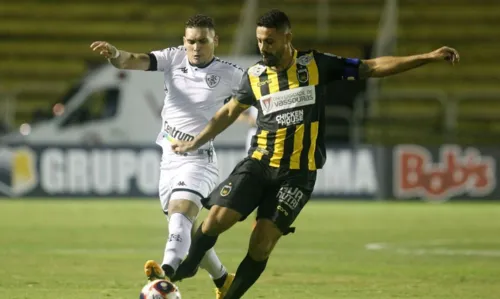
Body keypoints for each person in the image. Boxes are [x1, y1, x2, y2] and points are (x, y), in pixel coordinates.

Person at [170, 9, 460, 299]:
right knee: (215, 220)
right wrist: (195, 142)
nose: (263, 48)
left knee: (261, 243)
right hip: (258, 163)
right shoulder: (255, 75)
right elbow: (229, 112)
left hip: (297, 174)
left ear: (287, 38)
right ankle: (189, 266)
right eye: (259, 41)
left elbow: (371, 66)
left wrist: (426, 57)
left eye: (270, 41)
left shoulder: (316, 64)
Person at [90, 14, 244, 299]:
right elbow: (132, 59)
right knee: (187, 227)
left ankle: (165, 271)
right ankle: (224, 280)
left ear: (215, 41)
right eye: (190, 42)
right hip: (169, 159)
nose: (195, 47)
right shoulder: (174, 58)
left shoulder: (231, 74)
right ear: (184, 42)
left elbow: (260, 94)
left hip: (199, 160)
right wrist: (114, 54)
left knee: (180, 213)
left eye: (202, 41)